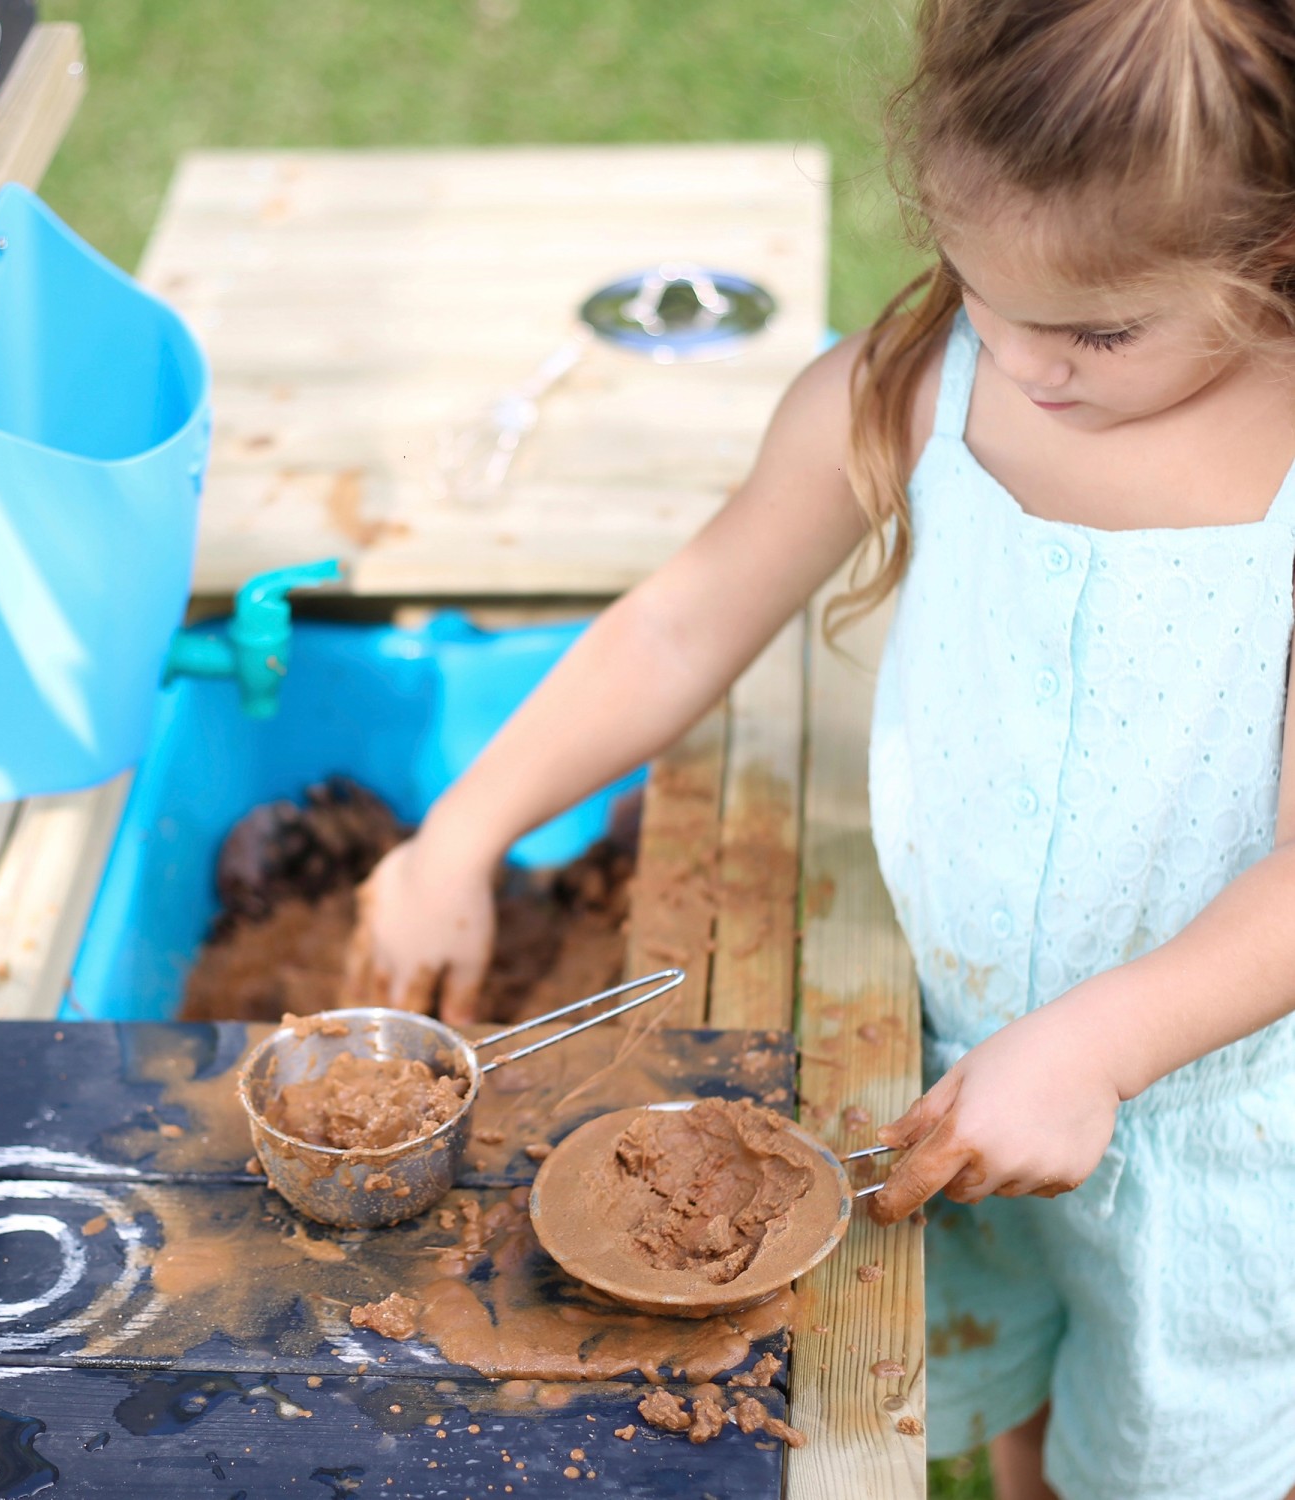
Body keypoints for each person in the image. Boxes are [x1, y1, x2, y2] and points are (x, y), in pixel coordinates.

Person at [342, 2, 1295, 1495]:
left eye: (1099, 331)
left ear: (1269, 251)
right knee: (1032, 1425)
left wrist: (1100, 1047)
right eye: (982, 288)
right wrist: (459, 836)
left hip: (1222, 1140)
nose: (1023, 364)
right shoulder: (918, 387)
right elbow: (679, 626)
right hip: (955, 1066)